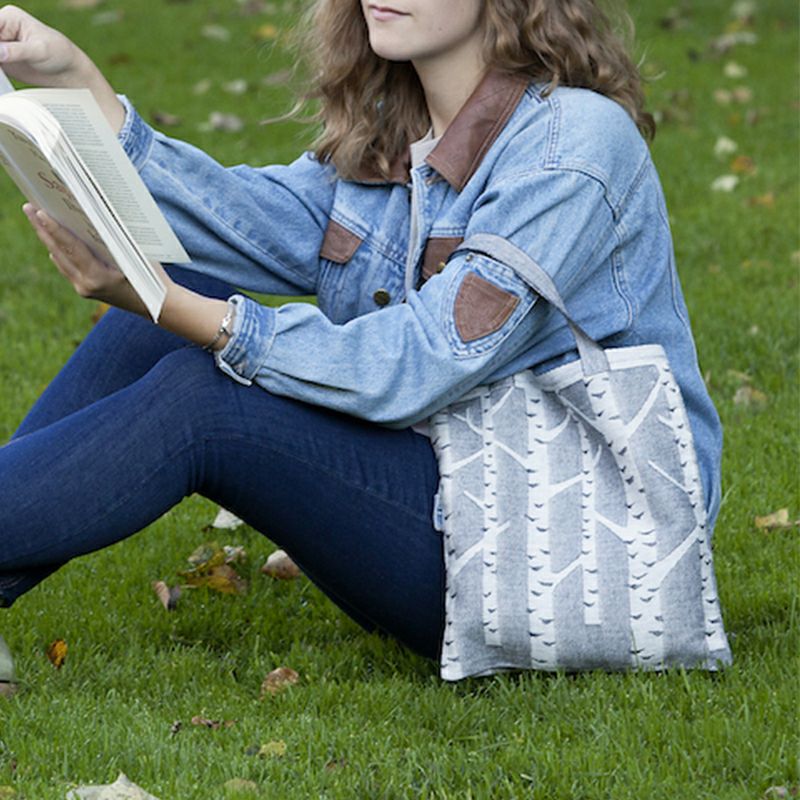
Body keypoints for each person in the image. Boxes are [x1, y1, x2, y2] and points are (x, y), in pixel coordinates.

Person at [0, 0, 722, 689]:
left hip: (547, 553)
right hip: (438, 489)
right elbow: (235, 220)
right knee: (172, 301)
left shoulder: (577, 146)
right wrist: (74, 79)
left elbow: (421, 362)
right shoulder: (399, 138)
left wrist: (178, 308)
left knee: (201, 399)